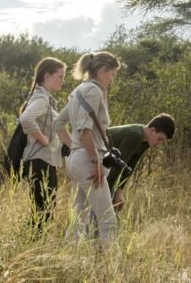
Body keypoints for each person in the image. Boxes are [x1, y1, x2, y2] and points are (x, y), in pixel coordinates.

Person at [53, 51, 121, 248]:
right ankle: (113, 270)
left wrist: (75, 149)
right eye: (112, 74)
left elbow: (58, 124)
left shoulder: (79, 90)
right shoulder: (93, 91)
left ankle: (66, 262)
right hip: (88, 161)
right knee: (107, 219)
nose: (112, 79)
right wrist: (94, 161)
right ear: (102, 71)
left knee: (79, 220)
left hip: (76, 159)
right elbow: (84, 130)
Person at [18, 57, 72, 237]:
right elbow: (26, 119)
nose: (62, 81)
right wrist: (43, 140)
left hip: (46, 160)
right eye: (60, 77)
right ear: (47, 76)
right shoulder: (41, 99)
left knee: (44, 208)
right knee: (43, 210)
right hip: (40, 160)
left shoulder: (45, 99)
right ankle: (30, 245)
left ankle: (31, 244)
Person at [105, 113, 176, 211]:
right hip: (90, 156)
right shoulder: (135, 135)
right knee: (106, 213)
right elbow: (117, 167)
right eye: (159, 139)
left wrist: (119, 191)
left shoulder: (146, 141)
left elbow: (130, 165)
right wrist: (106, 195)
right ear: (152, 130)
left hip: (104, 164)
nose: (159, 144)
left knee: (111, 212)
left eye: (162, 142)